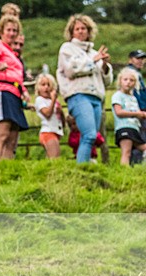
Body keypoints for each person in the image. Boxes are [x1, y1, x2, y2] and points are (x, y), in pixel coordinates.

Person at [57, 14, 112, 164]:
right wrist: (92, 61)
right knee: (89, 135)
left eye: (84, 28)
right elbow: (70, 70)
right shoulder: (67, 49)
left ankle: (86, 165)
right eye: (77, 29)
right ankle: (82, 168)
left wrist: (105, 66)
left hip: (96, 98)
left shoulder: (94, 53)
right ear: (72, 32)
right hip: (78, 95)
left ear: (89, 31)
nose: (81, 31)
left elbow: (106, 81)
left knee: (91, 136)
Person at [0, 14, 29, 164]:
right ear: (1, 31)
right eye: (9, 30)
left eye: (15, 30)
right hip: (1, 90)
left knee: (13, 135)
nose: (12, 33)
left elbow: (17, 76)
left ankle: (7, 167)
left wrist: (23, 91)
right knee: (2, 132)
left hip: (14, 92)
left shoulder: (12, 54)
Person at [111, 69, 146, 166]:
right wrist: (137, 114)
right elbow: (118, 112)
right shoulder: (118, 95)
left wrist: (142, 115)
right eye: (125, 79)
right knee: (126, 152)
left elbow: (137, 113)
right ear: (120, 81)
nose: (128, 82)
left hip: (134, 128)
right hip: (124, 127)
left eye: (131, 80)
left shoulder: (133, 98)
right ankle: (123, 171)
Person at [123, 50, 146, 163]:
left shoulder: (137, 73)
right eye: (138, 58)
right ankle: (136, 163)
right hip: (137, 110)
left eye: (142, 59)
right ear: (130, 59)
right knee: (139, 137)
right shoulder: (131, 73)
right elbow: (135, 94)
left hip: (139, 110)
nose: (141, 61)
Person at [34, 73, 64, 159]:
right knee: (54, 158)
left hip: (56, 131)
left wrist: (61, 112)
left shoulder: (54, 102)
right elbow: (47, 114)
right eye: (43, 85)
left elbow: (61, 120)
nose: (46, 87)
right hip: (48, 131)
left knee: (54, 157)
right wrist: (53, 100)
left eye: (49, 85)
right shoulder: (40, 100)